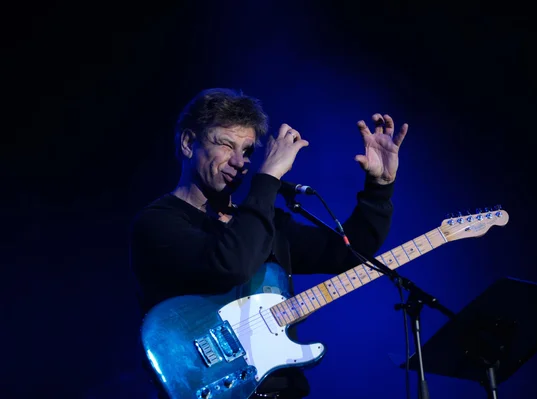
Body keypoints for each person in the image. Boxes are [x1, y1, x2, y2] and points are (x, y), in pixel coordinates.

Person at [129, 88, 409, 398]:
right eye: (225, 144)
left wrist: (379, 189)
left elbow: (349, 252)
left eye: (248, 151)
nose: (239, 161)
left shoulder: (264, 221)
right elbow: (231, 264)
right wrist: (268, 178)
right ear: (188, 142)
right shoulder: (158, 223)